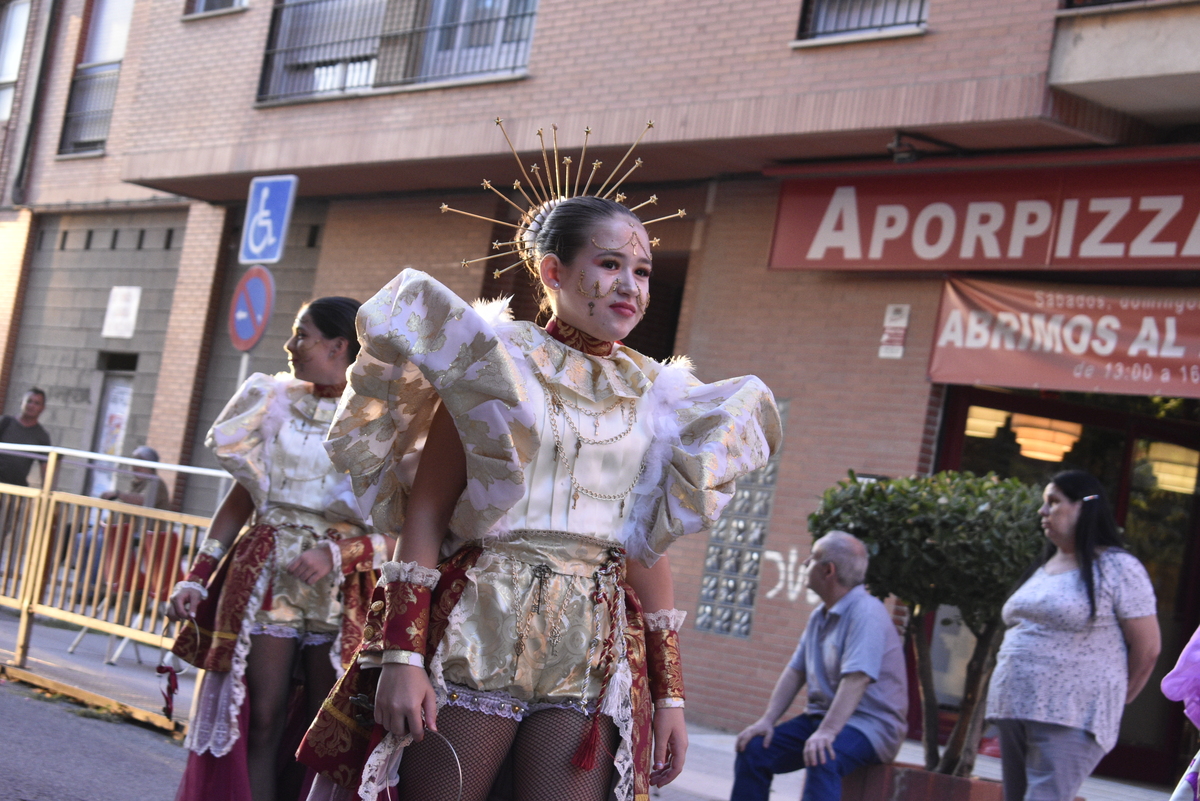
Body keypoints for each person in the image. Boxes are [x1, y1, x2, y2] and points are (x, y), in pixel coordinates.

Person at [297, 151, 781, 801]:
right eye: (609, 265)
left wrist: (670, 695)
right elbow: (427, 515)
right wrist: (402, 658)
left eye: (641, 270)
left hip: (590, 646)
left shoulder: (657, 391)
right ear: (554, 271)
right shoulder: (491, 362)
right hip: (479, 623)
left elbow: (642, 547)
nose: (630, 286)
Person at [168, 297, 395, 801]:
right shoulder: (272, 401)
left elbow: (401, 532)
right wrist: (195, 575)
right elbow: (239, 502)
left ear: (338, 346)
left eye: (302, 334)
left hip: (344, 586)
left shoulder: (379, 419)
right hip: (266, 575)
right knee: (263, 716)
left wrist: (335, 555)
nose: (291, 345)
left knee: (327, 724)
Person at [985, 470, 1161, 801]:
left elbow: (1148, 648)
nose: (1043, 512)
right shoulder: (1044, 566)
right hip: (1014, 707)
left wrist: (1111, 700)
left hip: (1071, 715)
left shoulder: (1118, 568)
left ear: (1083, 507)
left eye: (1053, 502)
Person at [731, 531, 908, 801]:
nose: (804, 564)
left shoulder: (867, 612)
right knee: (754, 748)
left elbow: (857, 679)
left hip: (871, 726)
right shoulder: (820, 615)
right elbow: (796, 671)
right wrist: (767, 720)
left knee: (823, 755)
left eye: (812, 558)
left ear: (828, 570)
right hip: (823, 719)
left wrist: (827, 732)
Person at [0, 388, 51, 487]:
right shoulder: (5, 422)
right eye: (29, 401)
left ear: (42, 408)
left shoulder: (42, 436)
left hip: (15, 490)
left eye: (37, 403)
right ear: (22, 403)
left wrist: (45, 495)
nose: (31, 406)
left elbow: (46, 469)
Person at [100, 444, 172, 509]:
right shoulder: (138, 483)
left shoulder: (156, 482)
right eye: (134, 463)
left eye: (139, 463)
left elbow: (143, 500)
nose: (134, 467)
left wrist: (118, 494)